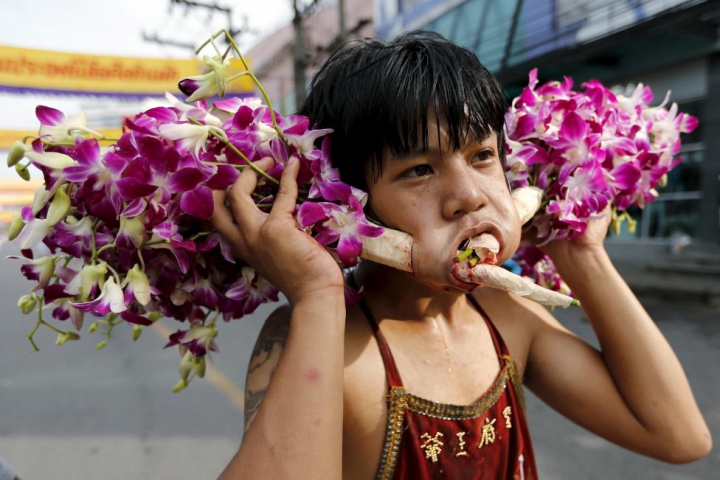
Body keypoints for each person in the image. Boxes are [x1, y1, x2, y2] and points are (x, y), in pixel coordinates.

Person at [212, 31, 711, 479]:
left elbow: (677, 436)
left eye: (481, 156)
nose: (468, 195)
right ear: (345, 200)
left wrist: (580, 252)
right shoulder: (322, 339)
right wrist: (317, 297)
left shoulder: (511, 320)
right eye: (418, 171)